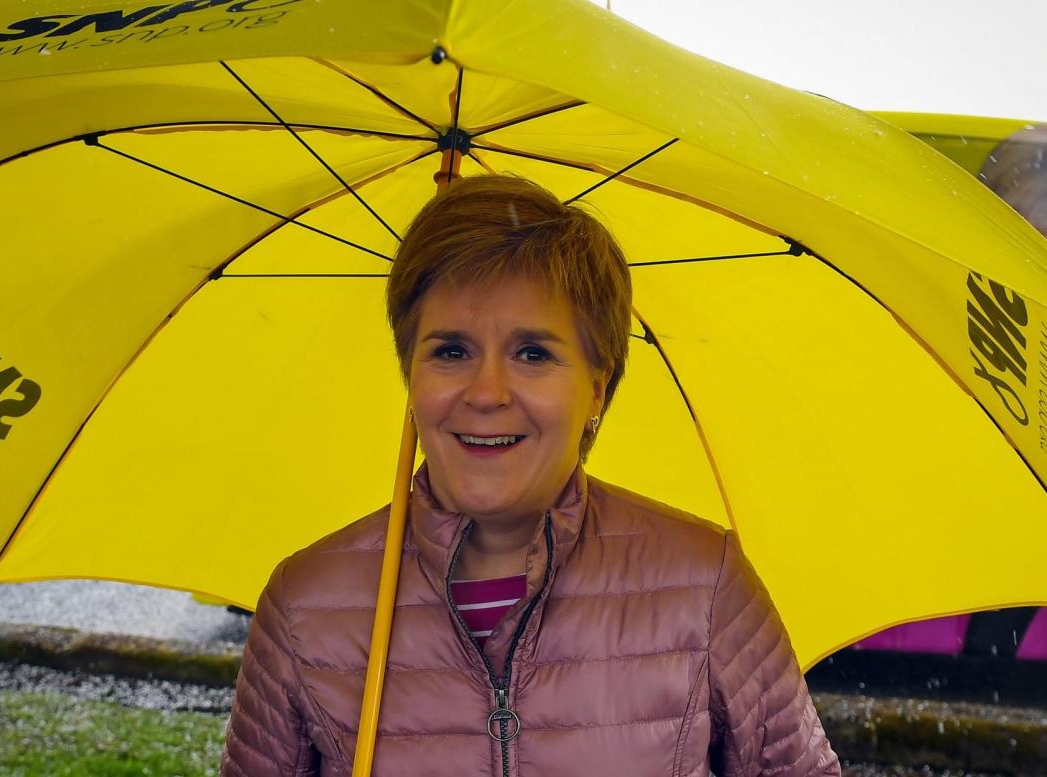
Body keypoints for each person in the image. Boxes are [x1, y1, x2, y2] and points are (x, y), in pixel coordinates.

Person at [220, 175, 840, 776]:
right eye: (451, 351)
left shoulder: (704, 585)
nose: (486, 392)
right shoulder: (306, 606)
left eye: (533, 354)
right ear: (411, 375)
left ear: (596, 388)